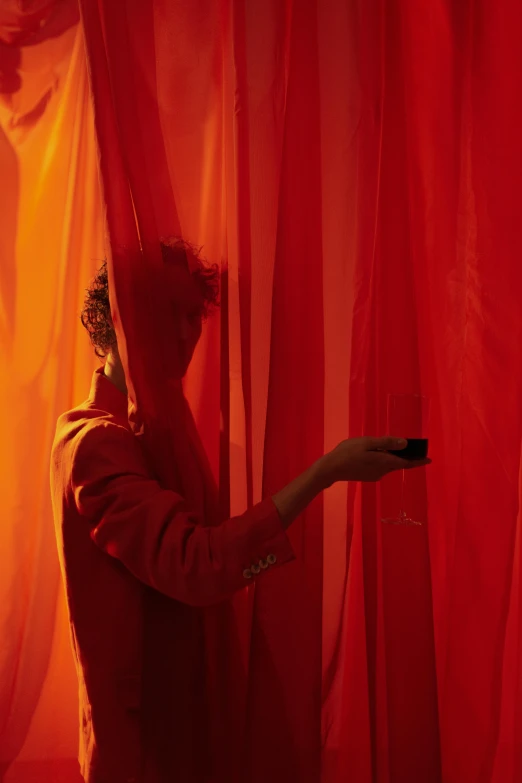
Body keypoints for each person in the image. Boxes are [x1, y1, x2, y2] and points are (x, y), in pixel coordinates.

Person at [50, 238, 430, 783]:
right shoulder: (94, 441)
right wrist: (325, 473)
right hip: (146, 754)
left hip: (192, 732)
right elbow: (197, 567)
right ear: (117, 318)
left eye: (193, 315)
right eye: (166, 313)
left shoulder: (161, 431)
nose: (186, 335)